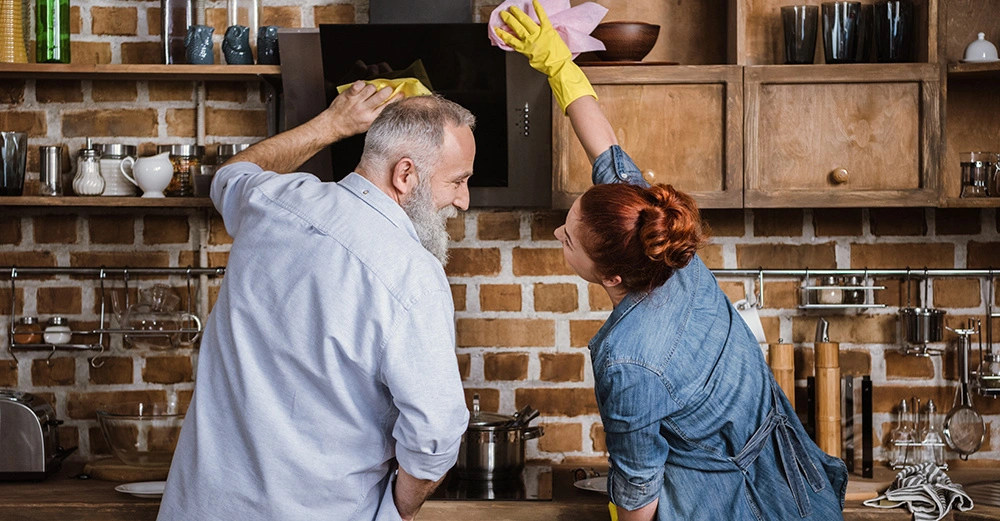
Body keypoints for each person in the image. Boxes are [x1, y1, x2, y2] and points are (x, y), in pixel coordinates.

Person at [495, 2, 848, 520]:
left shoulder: (626, 357)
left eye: (567, 239)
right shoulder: (666, 248)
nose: (558, 234)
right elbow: (605, 144)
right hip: (801, 493)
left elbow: (638, 495)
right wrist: (560, 66)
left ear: (611, 275)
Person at [158, 82, 474, 521]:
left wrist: (332, 123)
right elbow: (436, 436)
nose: (463, 200)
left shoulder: (273, 201)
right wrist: (395, 511)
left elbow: (231, 173)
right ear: (405, 175)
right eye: (458, 181)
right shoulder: (412, 274)